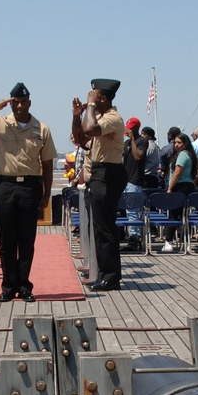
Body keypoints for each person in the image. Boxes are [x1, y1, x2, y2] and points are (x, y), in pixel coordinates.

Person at [0, 82, 57, 302]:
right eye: (14, 102)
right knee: (6, 240)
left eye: (23, 102)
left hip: (30, 186)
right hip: (5, 185)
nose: (19, 106)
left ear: (29, 103)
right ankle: (8, 286)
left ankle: (25, 285)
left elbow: (47, 164)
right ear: (10, 103)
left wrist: (46, 194)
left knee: (27, 239)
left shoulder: (41, 128)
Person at [72, 78, 126, 292]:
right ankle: (105, 273)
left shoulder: (113, 118)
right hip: (99, 172)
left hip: (108, 173)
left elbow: (92, 129)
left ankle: (110, 277)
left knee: (105, 228)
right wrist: (77, 115)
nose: (90, 99)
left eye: (94, 95)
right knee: (100, 227)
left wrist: (90, 106)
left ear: (103, 98)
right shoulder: (99, 117)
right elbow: (80, 137)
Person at [162, 133, 198, 252]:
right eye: (175, 142)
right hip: (189, 186)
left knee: (173, 214)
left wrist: (170, 188)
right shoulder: (191, 155)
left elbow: (177, 172)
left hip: (179, 186)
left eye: (179, 143)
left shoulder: (182, 155)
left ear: (185, 143)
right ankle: (185, 241)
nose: (176, 145)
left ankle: (168, 242)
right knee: (184, 216)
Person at [121, 116, 147, 252]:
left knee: (132, 210)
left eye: (130, 129)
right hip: (125, 179)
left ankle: (135, 239)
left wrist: (132, 139)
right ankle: (131, 235)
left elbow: (138, 156)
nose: (128, 131)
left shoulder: (142, 142)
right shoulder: (125, 144)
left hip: (135, 180)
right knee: (127, 210)